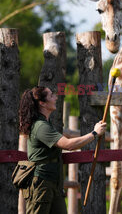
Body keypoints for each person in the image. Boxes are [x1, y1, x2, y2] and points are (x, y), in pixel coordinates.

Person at [19, 86, 107, 214]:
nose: (55, 98)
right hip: (41, 184)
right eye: (51, 96)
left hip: (53, 183)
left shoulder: (46, 123)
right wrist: (94, 133)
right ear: (42, 103)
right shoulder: (40, 126)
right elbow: (69, 145)